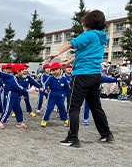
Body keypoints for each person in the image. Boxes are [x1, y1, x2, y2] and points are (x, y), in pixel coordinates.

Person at [47, 10, 114, 147]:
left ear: (88, 21)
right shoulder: (101, 38)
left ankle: (73, 138)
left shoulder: (88, 34)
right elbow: (84, 53)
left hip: (82, 75)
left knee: (73, 106)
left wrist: (56, 52)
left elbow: (70, 43)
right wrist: (68, 62)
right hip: (95, 75)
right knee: (96, 107)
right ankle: (106, 134)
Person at [0, 64, 35, 129]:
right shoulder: (13, 78)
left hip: (16, 95)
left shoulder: (18, 78)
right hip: (11, 94)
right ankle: (0, 122)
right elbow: (17, 86)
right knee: (8, 109)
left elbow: (19, 88)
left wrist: (20, 95)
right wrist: (27, 90)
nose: (24, 71)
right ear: (17, 71)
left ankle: (20, 122)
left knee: (18, 109)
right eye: (22, 70)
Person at [40, 62, 70, 127]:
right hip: (52, 95)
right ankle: (44, 120)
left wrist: (66, 94)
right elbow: (45, 84)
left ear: (60, 69)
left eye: (56, 69)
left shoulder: (64, 79)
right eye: (53, 70)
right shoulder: (51, 78)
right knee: (49, 108)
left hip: (60, 96)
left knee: (62, 108)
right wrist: (46, 89)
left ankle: (65, 120)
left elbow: (67, 88)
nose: (55, 71)